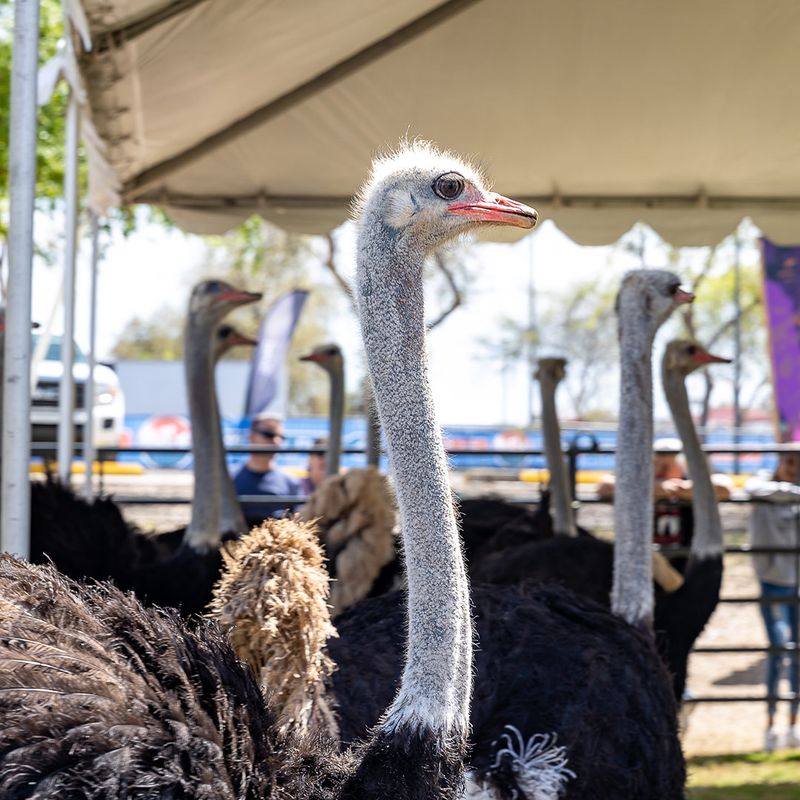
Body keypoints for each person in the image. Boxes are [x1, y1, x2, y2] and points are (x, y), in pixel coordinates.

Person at [597, 437, 732, 573]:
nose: (660, 470)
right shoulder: (642, 480)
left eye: (666, 465)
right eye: (655, 463)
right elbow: (604, 485)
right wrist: (649, 488)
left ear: (682, 464)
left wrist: (683, 489)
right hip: (644, 558)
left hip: (689, 557)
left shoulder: (691, 478)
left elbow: (724, 487)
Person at [746, 451, 800, 752]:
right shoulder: (762, 485)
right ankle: (769, 725)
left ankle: (792, 724)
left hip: (797, 583)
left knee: (797, 654)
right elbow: (755, 489)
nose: (793, 468)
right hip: (772, 582)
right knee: (778, 648)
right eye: (789, 461)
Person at [233, 412, 302, 524]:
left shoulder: (291, 484)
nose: (276, 441)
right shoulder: (229, 479)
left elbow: (297, 524)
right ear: (251, 436)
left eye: (281, 437)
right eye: (269, 434)